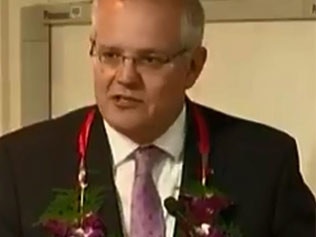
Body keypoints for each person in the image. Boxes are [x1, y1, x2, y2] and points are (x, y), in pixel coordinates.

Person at [0, 0, 315, 236]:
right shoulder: (21, 166)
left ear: (193, 66)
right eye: (110, 55)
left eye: (149, 59)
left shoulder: (265, 165)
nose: (125, 77)